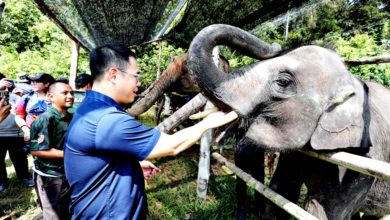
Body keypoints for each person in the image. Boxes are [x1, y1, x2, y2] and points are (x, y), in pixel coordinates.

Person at [64, 44, 238, 219]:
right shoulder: (107, 120)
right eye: (136, 76)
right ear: (114, 75)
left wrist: (131, 165)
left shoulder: (91, 108)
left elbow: (97, 160)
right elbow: (172, 146)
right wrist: (208, 123)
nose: (139, 83)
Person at [30, 81, 74, 219]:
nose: (70, 96)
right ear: (50, 97)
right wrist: (72, 155)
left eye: (72, 93)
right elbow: (37, 151)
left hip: (67, 173)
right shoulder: (46, 119)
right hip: (51, 176)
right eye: (65, 93)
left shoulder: (70, 116)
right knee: (54, 215)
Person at [0, 73, 33, 193]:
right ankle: (2, 181)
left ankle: (24, 177)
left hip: (16, 133)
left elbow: (24, 111)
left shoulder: (15, 96)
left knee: (19, 157)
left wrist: (22, 95)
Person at [14, 72, 55, 148]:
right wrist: (25, 129)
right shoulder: (26, 98)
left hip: (53, 135)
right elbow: (19, 116)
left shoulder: (56, 97)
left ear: (46, 84)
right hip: (32, 134)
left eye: (37, 81)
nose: (33, 83)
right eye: (32, 81)